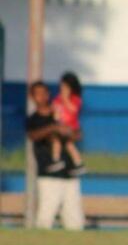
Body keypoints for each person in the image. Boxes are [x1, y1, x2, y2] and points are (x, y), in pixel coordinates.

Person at [25, 80, 86, 230]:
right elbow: (33, 136)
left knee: (74, 220)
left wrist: (68, 131)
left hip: (69, 173)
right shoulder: (34, 119)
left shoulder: (60, 112)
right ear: (32, 97)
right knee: (46, 215)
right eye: (38, 94)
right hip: (48, 174)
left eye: (45, 93)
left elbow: (77, 133)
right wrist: (53, 128)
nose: (42, 97)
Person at [51, 71, 86, 176]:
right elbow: (55, 111)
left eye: (66, 87)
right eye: (62, 87)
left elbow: (74, 110)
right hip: (61, 127)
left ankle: (78, 164)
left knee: (68, 144)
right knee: (59, 142)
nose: (63, 90)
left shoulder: (75, 99)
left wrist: (65, 99)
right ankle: (56, 161)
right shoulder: (58, 99)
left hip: (72, 128)